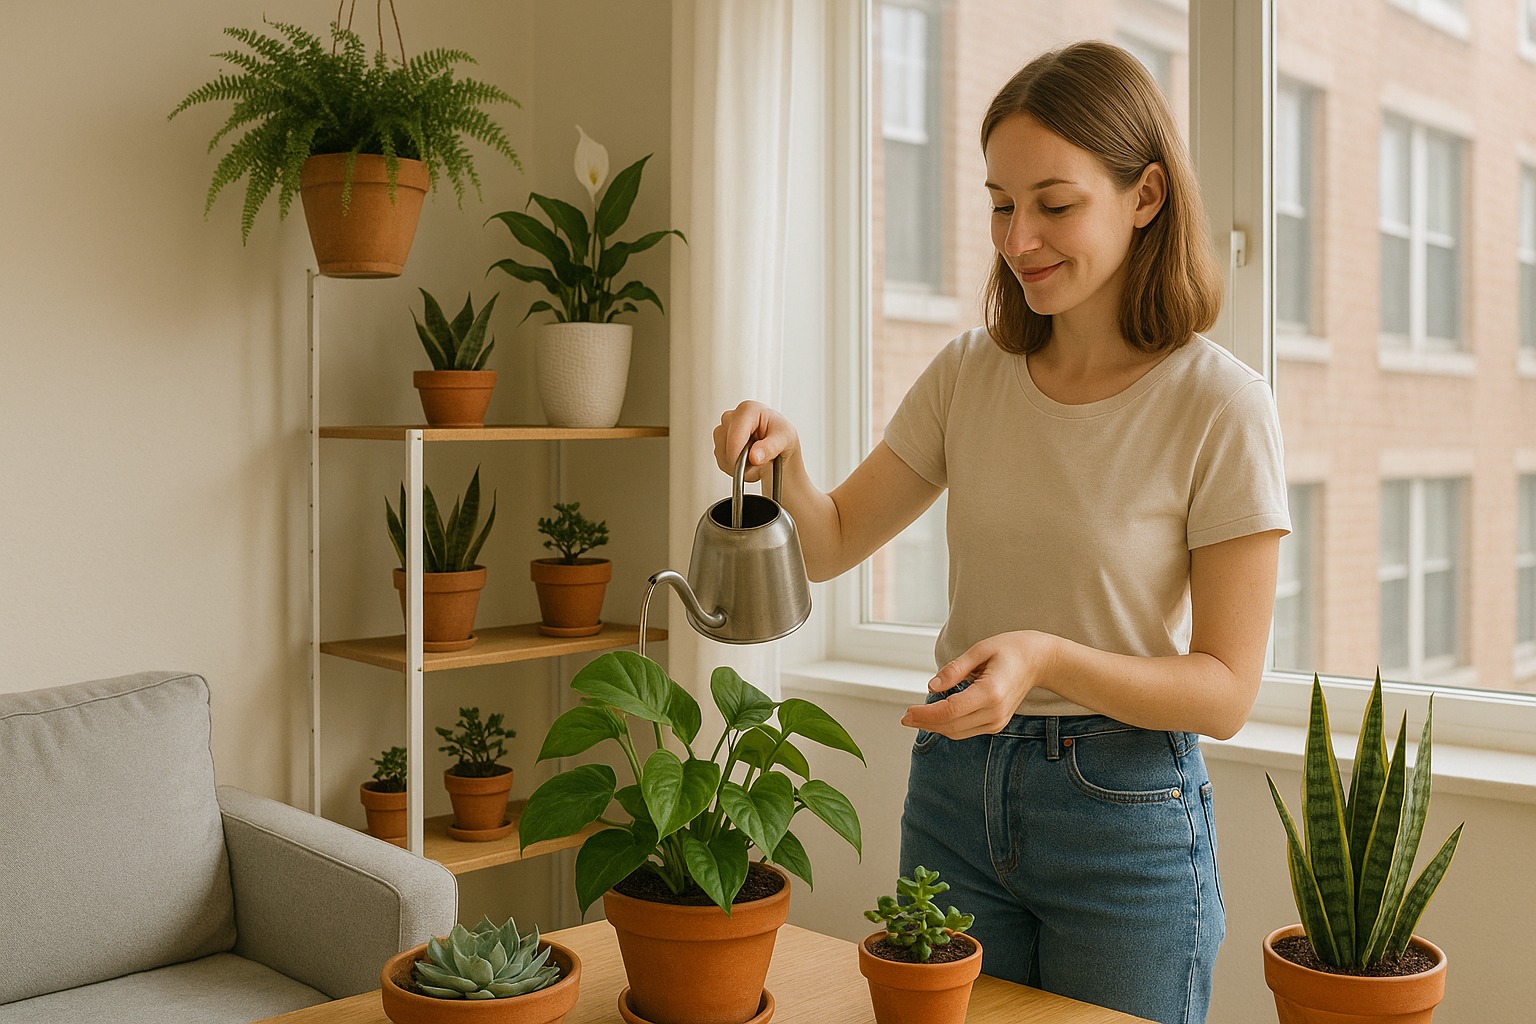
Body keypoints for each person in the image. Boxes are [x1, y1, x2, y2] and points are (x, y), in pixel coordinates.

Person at [713, 39, 1288, 1024]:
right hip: (954, 795)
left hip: (1126, 816)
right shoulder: (968, 374)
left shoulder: (1220, 404)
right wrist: (785, 466)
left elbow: (1226, 691)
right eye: (1000, 204)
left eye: (1054, 205)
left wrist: (1049, 656)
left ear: (1145, 196)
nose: (1020, 237)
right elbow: (829, 540)